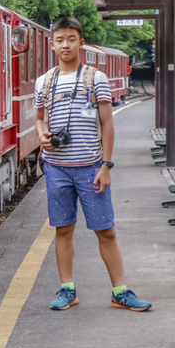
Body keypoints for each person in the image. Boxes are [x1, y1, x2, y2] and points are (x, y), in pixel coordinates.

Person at [34, 17, 151, 312]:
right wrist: (42, 136)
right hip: (56, 167)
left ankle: (120, 292)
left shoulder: (95, 78)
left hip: (90, 167)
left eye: (71, 39)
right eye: (60, 40)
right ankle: (67, 289)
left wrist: (106, 165)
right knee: (63, 229)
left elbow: (107, 124)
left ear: (80, 43)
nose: (65, 45)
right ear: (52, 44)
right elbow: (37, 119)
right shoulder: (44, 82)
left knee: (106, 230)